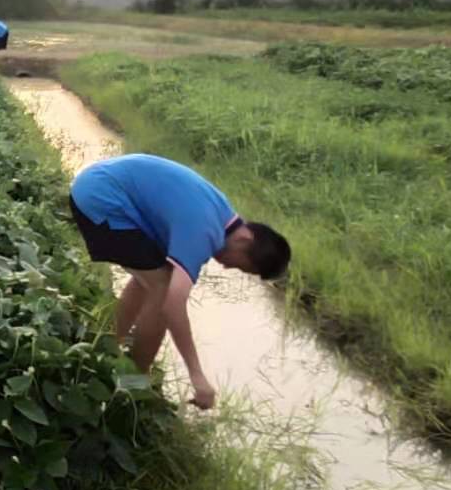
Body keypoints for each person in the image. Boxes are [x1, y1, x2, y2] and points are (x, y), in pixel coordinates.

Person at [67, 154, 291, 411]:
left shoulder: (220, 213)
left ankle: (106, 344)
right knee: (162, 288)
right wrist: (197, 374)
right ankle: (134, 382)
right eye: (240, 265)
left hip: (97, 184)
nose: (227, 267)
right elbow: (173, 306)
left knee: (149, 279)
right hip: (100, 198)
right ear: (245, 240)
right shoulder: (204, 230)